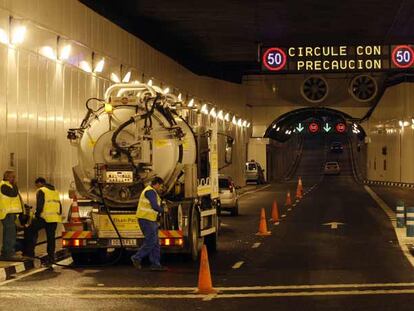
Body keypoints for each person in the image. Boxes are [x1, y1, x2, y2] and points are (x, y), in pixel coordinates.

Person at [131, 177, 167, 271]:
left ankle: (156, 264)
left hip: (150, 220)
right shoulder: (150, 192)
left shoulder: (152, 192)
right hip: (146, 219)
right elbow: (154, 206)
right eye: (161, 186)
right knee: (151, 241)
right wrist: (163, 210)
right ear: (157, 184)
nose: (161, 188)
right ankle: (137, 257)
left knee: (155, 243)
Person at [27, 177, 62, 266]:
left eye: (36, 185)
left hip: (44, 218)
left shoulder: (42, 190)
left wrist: (37, 215)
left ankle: (29, 254)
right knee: (51, 238)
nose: (36, 187)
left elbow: (40, 205)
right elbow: (59, 205)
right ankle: (51, 258)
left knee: (30, 230)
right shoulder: (55, 191)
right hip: (54, 218)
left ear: (40, 183)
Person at [0, 170, 24, 260]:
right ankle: (8, 253)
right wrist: (15, 184)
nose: (14, 179)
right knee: (9, 234)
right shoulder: (4, 185)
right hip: (7, 213)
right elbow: (13, 194)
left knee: (11, 233)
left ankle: (7, 252)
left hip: (10, 213)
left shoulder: (8, 185)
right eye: (12, 177)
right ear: (7, 177)